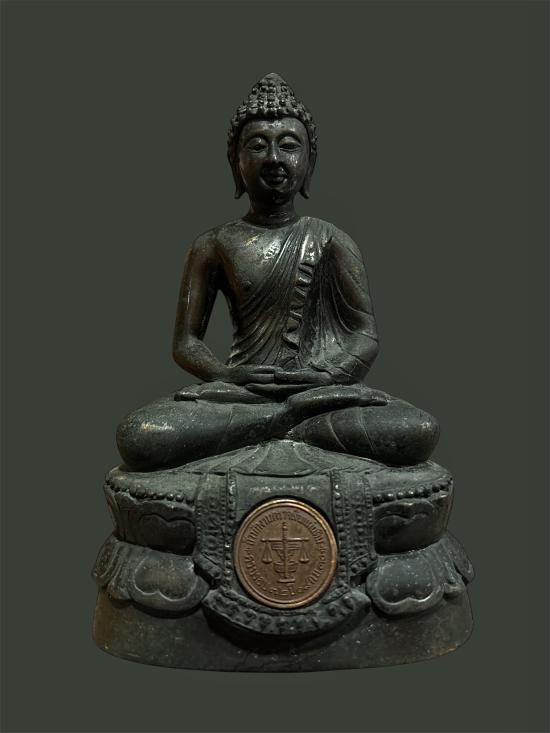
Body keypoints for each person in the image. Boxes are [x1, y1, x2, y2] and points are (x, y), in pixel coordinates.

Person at [117, 73, 439, 471]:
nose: (273, 159)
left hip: (318, 393)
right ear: (236, 163)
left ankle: (276, 424)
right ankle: (285, 422)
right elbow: (186, 343)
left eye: (288, 146)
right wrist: (228, 375)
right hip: (243, 394)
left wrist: (325, 377)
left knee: (415, 429)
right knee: (141, 434)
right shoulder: (213, 244)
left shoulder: (332, 240)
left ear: (309, 162)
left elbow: (364, 335)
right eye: (257, 146)